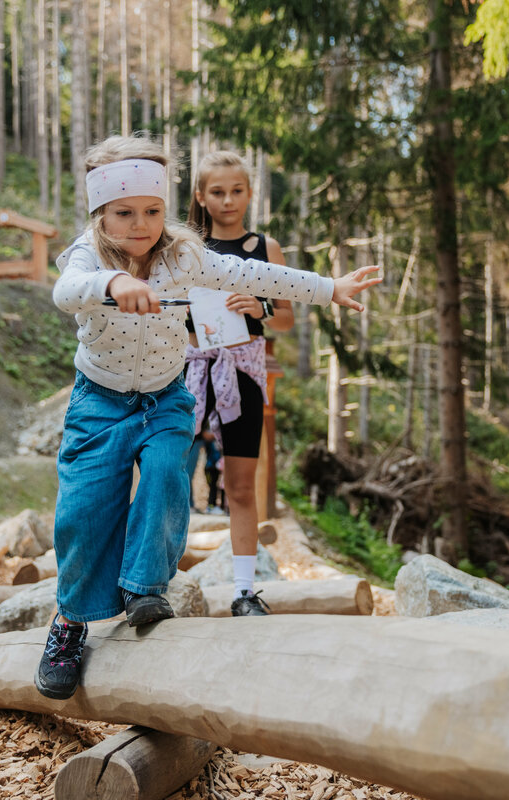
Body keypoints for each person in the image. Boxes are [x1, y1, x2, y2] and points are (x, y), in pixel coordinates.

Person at [35, 134, 380, 701]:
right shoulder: (87, 255)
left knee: (171, 472)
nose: (140, 224)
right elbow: (66, 291)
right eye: (125, 213)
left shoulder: (183, 254)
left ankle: (145, 586)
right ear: (101, 212)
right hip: (98, 402)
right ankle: (70, 623)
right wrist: (115, 282)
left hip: (168, 398)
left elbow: (252, 277)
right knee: (82, 514)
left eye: (152, 211)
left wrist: (328, 288)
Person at [185, 150, 293, 616]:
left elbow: (286, 318)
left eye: (236, 191)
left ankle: (244, 592)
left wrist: (260, 308)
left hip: (244, 371)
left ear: (250, 193)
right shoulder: (184, 247)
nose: (228, 200)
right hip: (187, 371)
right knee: (166, 477)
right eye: (217, 192)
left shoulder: (265, 249)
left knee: (241, 486)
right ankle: (149, 584)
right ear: (200, 197)